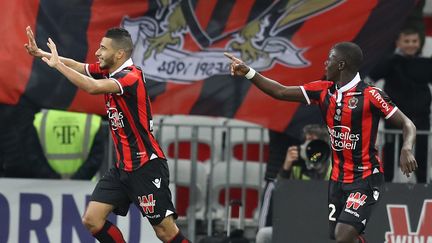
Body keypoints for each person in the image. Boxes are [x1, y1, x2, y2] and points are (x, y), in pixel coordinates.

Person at [225, 41, 418, 243]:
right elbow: (280, 91)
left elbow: (407, 124)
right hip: (337, 180)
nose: (326, 63)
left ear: (341, 65)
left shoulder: (371, 95)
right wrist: (248, 72)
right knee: (341, 238)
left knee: (342, 235)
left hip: (365, 179)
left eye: (331, 58)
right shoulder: (323, 91)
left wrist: (406, 148)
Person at [24, 26, 190, 243]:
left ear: (119, 54)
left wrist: (57, 67)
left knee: (165, 232)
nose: (97, 52)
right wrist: (43, 54)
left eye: (102, 48)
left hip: (146, 168)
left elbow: (92, 87)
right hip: (122, 169)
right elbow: (80, 67)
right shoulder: (108, 70)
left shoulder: (132, 77)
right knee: (92, 220)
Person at [369, 27, 432, 183]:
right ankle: (385, 190)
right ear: (398, 42)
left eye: (414, 41)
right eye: (407, 41)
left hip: (421, 122)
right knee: (390, 159)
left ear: (420, 43)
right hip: (395, 121)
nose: (411, 45)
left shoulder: (426, 63)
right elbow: (371, 78)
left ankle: (424, 193)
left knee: (422, 161)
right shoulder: (390, 61)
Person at [256, 124, 331, 243]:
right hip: (297, 223)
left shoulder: (333, 166)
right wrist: (286, 166)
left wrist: (319, 165)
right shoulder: (297, 166)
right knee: (264, 234)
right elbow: (279, 193)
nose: (309, 145)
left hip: (324, 225)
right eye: (306, 140)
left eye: (312, 140)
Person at [33, 109, 106, 180]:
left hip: (47, 187)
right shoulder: (92, 120)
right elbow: (95, 158)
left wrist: (54, 179)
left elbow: (34, 156)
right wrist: (76, 180)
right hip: (84, 187)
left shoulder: (39, 120)